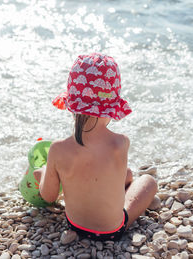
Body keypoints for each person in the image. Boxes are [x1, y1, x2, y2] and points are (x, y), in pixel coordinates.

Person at [33, 53, 157, 241]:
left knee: (127, 175)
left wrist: (44, 174)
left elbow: (49, 196)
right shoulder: (120, 143)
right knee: (148, 181)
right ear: (110, 107)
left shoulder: (58, 149)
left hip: (75, 225)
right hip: (113, 230)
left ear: (72, 104)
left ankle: (45, 173)